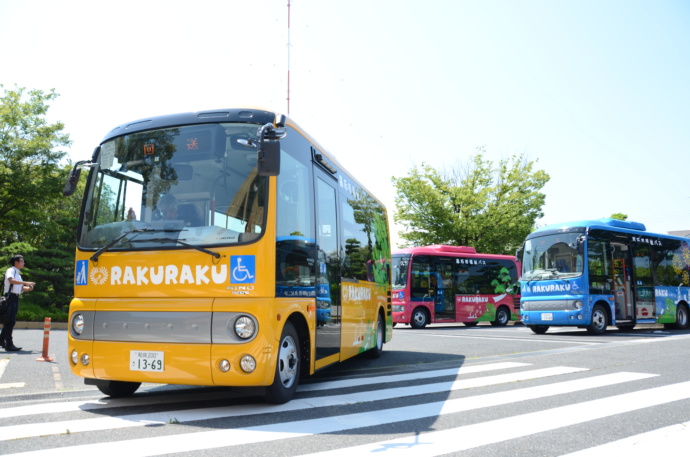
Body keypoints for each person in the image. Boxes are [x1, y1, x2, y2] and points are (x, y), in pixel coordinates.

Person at [1, 254, 36, 352]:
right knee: (10, 321)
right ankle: (9, 344)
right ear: (16, 262)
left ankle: (1, 341)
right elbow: (11, 280)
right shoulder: (11, 270)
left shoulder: (18, 274)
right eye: (22, 261)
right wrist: (26, 282)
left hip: (15, 298)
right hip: (10, 297)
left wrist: (28, 288)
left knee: (9, 321)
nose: (23, 263)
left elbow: (20, 288)